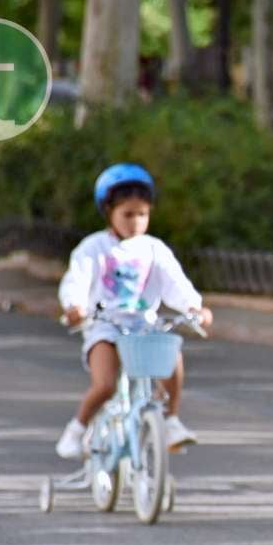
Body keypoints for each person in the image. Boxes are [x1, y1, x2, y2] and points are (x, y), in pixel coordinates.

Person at [54, 163, 214, 460]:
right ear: (109, 213)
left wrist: (194, 306)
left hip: (143, 325)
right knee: (104, 385)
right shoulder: (94, 247)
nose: (135, 222)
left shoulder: (154, 249)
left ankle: (170, 420)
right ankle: (76, 429)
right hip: (104, 325)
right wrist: (74, 306)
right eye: (127, 214)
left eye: (142, 214)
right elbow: (77, 279)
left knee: (173, 358)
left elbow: (175, 282)